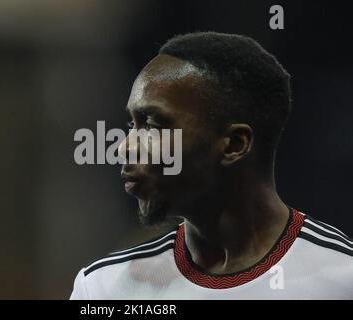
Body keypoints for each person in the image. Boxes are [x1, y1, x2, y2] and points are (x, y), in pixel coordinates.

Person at [70, 32, 353, 299]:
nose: (124, 147)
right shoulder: (104, 288)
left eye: (153, 124)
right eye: (132, 124)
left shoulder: (342, 279)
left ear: (234, 144)